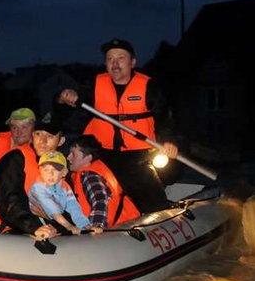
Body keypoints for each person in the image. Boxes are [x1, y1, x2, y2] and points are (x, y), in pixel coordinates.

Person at [55, 38, 179, 213]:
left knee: (147, 187)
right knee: (93, 185)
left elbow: (164, 116)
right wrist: (65, 97)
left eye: (121, 58)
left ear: (132, 62)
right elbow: (70, 101)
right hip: (101, 152)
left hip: (138, 154)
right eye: (110, 59)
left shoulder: (148, 85)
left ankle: (158, 215)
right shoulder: (95, 84)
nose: (115, 63)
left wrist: (168, 141)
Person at [0, 120, 64, 239]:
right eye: (38, 134)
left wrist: (52, 218)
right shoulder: (15, 158)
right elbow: (10, 198)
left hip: (35, 229)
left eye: (50, 136)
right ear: (32, 136)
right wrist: (33, 227)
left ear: (61, 141)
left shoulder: (62, 168)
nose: (42, 141)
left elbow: (69, 208)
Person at [67, 134, 141, 228]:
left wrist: (96, 228)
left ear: (88, 158)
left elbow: (100, 200)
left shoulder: (89, 175)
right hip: (129, 223)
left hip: (120, 228)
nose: (68, 157)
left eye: (73, 154)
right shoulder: (98, 170)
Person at [28, 151, 102, 236]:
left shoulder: (65, 186)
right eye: (46, 170)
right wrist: (70, 227)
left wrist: (88, 227)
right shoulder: (39, 186)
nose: (50, 174)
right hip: (36, 224)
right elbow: (53, 210)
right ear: (40, 171)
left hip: (53, 222)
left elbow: (74, 208)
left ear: (64, 172)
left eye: (55, 170)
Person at [0, 107, 36, 185]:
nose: (19, 132)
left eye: (24, 127)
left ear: (33, 128)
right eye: (15, 128)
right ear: (10, 129)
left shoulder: (39, 149)